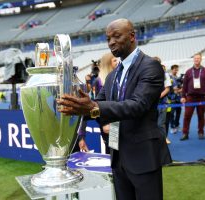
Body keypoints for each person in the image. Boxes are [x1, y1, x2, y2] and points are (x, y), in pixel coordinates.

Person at [57, 18, 172, 200]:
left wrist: (93, 106)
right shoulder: (111, 76)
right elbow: (97, 106)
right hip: (117, 156)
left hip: (143, 157)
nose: (111, 42)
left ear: (132, 36)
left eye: (116, 36)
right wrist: (76, 107)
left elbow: (138, 105)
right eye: (108, 38)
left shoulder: (150, 66)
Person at [78, 53, 118, 154]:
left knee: (120, 154)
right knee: (114, 152)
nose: (117, 62)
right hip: (108, 123)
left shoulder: (118, 78)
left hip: (119, 122)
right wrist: (104, 122)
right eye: (114, 60)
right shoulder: (99, 81)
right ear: (108, 63)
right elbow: (97, 105)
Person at [180, 53, 205, 140]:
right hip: (190, 97)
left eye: (198, 58)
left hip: (202, 97)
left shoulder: (204, 70)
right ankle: (185, 133)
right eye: (195, 58)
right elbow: (184, 85)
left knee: (201, 116)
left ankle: (201, 132)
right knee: (187, 116)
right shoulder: (188, 71)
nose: (196, 60)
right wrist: (183, 96)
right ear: (193, 60)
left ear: (201, 59)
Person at [169, 64, 182, 134]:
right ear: (172, 70)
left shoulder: (178, 78)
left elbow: (180, 87)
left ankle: (177, 125)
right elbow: (169, 88)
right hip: (172, 98)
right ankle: (172, 126)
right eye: (175, 69)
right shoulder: (169, 77)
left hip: (178, 98)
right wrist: (173, 90)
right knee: (171, 113)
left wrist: (180, 89)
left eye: (177, 69)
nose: (176, 70)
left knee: (178, 113)